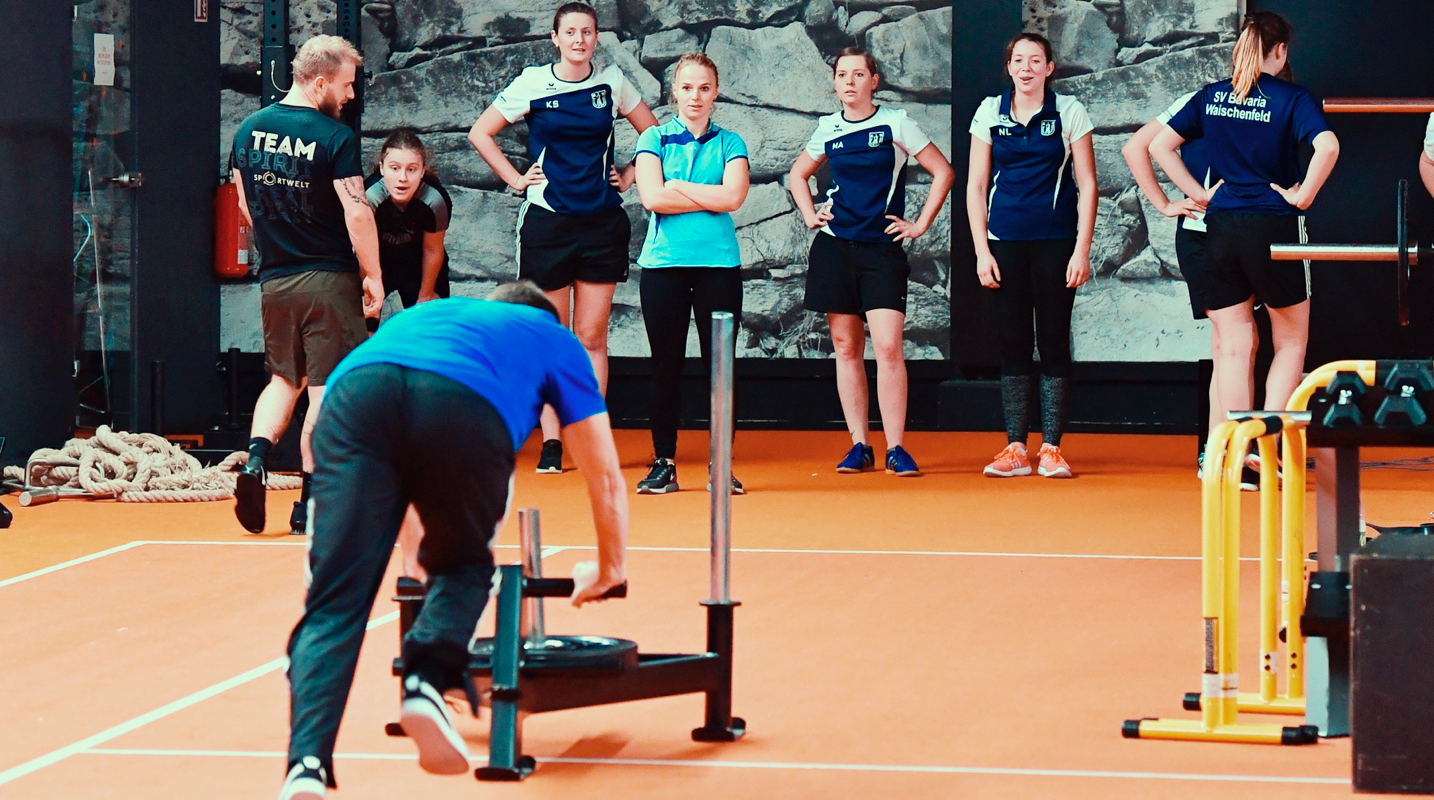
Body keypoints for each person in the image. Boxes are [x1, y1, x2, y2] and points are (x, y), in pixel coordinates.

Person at [276, 282, 629, 800]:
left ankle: (305, 765)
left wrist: (417, 564)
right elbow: (604, 476)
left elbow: (407, 474)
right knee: (465, 568)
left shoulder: (431, 314)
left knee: (334, 603)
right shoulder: (553, 338)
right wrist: (609, 569)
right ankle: (424, 681)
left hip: (353, 397)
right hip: (462, 403)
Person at [468, 1, 658, 475]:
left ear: (596, 37)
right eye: (570, 32)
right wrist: (515, 179)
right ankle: (552, 443)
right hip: (548, 223)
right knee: (552, 336)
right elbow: (481, 133)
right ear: (555, 38)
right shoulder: (533, 82)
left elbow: (653, 131)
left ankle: (591, 438)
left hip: (600, 224)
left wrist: (631, 174)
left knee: (591, 337)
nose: (579, 39)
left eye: (587, 32)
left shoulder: (611, 81)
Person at [1150, 12, 1338, 446]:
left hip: (1220, 227)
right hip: (1274, 226)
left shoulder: (1213, 95)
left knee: (1233, 347)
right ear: (1281, 51)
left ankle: (1238, 449)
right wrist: (1303, 196)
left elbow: (1160, 145)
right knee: (1290, 343)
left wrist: (1198, 195)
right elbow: (1328, 146)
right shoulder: (1292, 97)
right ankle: (1270, 449)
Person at [230, 35, 384, 535]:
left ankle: (254, 462)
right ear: (319, 82)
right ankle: (309, 505)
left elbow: (245, 209)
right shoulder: (336, 138)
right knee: (325, 392)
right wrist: (373, 276)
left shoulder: (248, 130)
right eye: (345, 85)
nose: (350, 96)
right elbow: (358, 215)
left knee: (282, 380)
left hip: (276, 280)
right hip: (328, 279)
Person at [788, 47, 954, 478]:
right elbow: (796, 174)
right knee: (846, 348)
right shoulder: (828, 129)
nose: (849, 82)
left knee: (887, 347)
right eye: (842, 75)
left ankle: (896, 448)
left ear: (873, 81)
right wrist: (810, 214)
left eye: (858, 74)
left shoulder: (896, 123)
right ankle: (859, 445)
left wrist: (919, 224)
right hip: (834, 247)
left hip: (881, 250)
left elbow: (944, 171)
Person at [966, 33, 1096, 479]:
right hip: (1004, 243)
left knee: (1055, 341)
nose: (1026, 68)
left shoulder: (1069, 111)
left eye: (1035, 60)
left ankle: (1053, 448)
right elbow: (976, 186)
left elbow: (1088, 186)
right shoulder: (989, 111)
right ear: (1009, 67)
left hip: (1057, 245)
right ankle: (1016, 448)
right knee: (1013, 343)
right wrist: (982, 251)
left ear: (1049, 67)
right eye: (1018, 60)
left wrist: (1082, 249)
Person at [631, 53, 750, 494]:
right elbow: (653, 199)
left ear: (715, 92)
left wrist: (678, 186)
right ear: (674, 91)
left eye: (704, 88)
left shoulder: (731, 141)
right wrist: (706, 194)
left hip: (719, 268)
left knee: (721, 369)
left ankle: (722, 465)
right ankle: (664, 462)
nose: (695, 96)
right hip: (664, 269)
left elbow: (734, 197)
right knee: (666, 366)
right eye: (687, 88)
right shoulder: (653, 138)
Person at [366, 129, 452, 311]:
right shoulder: (370, 197)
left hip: (419, 264)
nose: (402, 178)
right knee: (365, 320)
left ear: (422, 171)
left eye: (411, 169)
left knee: (429, 321)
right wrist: (368, 291)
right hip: (377, 261)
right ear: (382, 168)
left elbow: (432, 250)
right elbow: (362, 249)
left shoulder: (435, 200)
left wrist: (426, 294)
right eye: (394, 168)